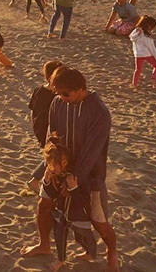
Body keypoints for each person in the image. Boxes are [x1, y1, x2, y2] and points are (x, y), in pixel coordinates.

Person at [21, 66, 118, 272]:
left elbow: (91, 152)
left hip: (89, 177)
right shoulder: (57, 103)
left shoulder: (99, 113)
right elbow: (51, 138)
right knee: (44, 205)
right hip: (57, 169)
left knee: (98, 220)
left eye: (65, 93)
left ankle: (112, 252)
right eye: (58, 93)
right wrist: (51, 167)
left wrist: (73, 179)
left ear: (80, 88)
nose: (61, 97)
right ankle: (44, 245)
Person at [41, 135, 98, 272]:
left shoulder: (77, 177)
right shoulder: (57, 175)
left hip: (78, 216)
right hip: (60, 213)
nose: (50, 168)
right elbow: (54, 195)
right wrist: (47, 181)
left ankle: (91, 253)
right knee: (59, 235)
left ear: (64, 162)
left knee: (81, 237)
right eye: (48, 164)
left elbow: (84, 202)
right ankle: (60, 260)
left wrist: (73, 188)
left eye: (52, 164)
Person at [27, 60, 63, 191]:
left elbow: (32, 110)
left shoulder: (39, 90)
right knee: (53, 156)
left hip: (39, 127)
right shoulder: (56, 96)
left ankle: (35, 180)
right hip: (48, 130)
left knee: (52, 154)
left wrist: (35, 126)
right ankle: (35, 180)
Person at [130, 16, 156, 88]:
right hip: (146, 54)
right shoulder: (146, 36)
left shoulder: (136, 31)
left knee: (137, 69)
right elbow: (152, 49)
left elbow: (131, 37)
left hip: (138, 54)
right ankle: (153, 80)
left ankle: (134, 84)